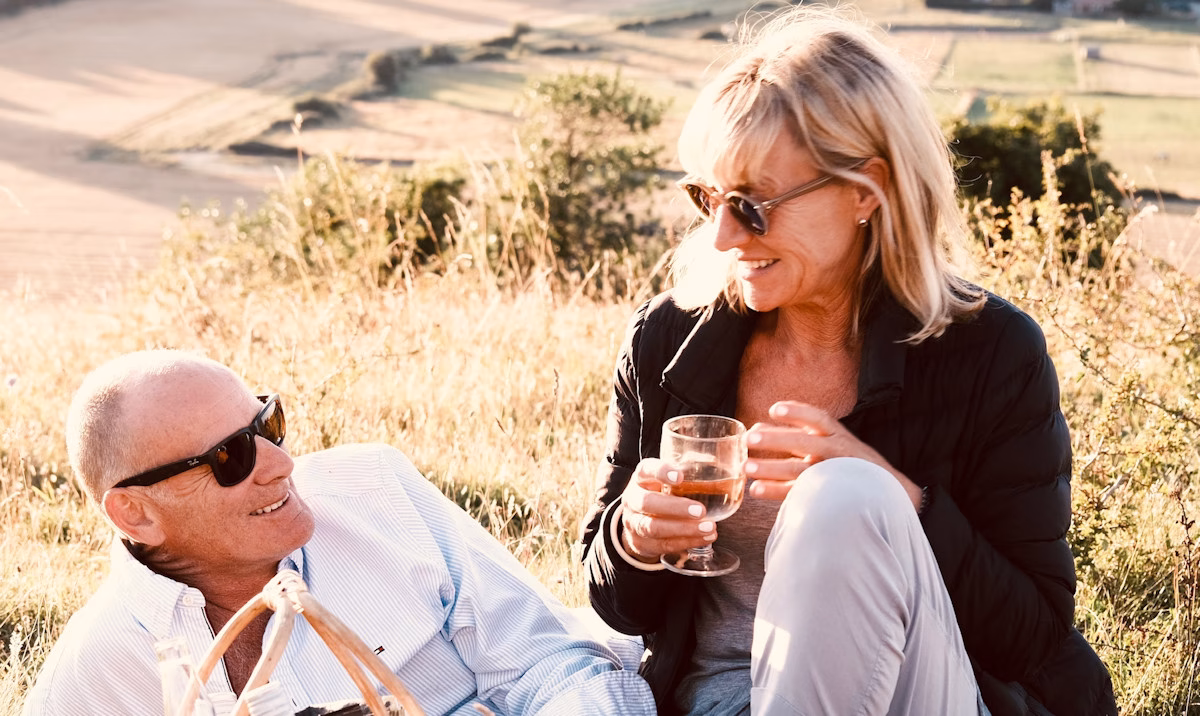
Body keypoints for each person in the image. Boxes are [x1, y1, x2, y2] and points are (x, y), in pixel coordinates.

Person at [579, 7, 1115, 716]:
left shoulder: (992, 352)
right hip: (719, 699)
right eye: (707, 197)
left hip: (922, 693)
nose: (720, 236)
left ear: (865, 193)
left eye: (751, 204)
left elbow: (1034, 638)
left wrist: (897, 497)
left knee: (846, 499)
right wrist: (633, 537)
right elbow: (614, 603)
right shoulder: (666, 338)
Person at [25, 350, 654, 716]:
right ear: (135, 514)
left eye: (268, 425)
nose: (280, 464)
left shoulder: (375, 492)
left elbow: (554, 663)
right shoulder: (93, 674)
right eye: (230, 458)